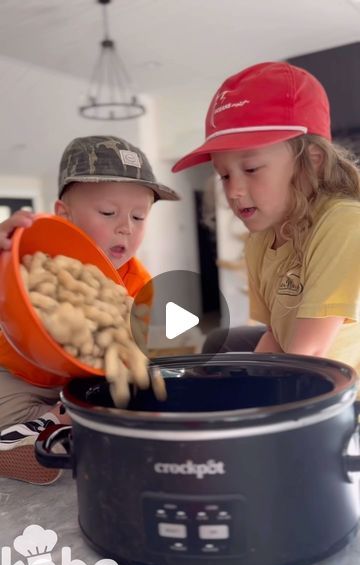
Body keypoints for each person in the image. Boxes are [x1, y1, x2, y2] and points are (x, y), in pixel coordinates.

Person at [0, 135, 179, 484]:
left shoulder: (138, 284)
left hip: (81, 384)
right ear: (64, 215)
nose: (126, 226)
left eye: (139, 216)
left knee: (138, 395)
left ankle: (57, 427)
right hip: (19, 372)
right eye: (108, 213)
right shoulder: (31, 258)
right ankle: (35, 435)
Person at [173, 61, 360, 374]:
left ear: (312, 162)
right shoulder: (261, 239)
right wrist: (245, 380)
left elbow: (310, 353)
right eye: (224, 175)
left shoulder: (344, 224)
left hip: (343, 401)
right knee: (215, 357)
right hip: (301, 372)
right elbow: (275, 336)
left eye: (250, 169)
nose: (233, 191)